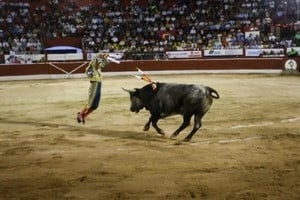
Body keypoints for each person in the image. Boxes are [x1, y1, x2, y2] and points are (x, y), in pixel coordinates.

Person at [77, 52, 110, 124]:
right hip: (94, 85)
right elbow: (97, 62)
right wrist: (102, 57)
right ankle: (80, 113)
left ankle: (84, 115)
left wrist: (105, 58)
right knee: (91, 103)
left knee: (95, 105)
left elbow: (104, 63)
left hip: (98, 85)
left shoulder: (98, 68)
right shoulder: (89, 69)